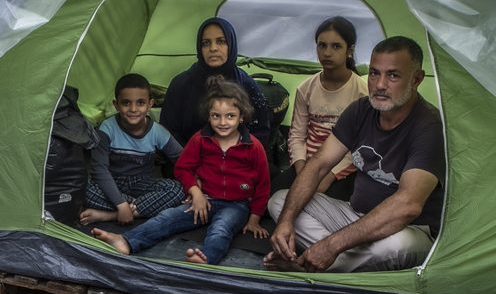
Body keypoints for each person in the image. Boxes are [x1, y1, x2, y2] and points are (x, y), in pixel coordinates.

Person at [264, 36, 445, 273]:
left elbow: (407, 205)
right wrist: (286, 221)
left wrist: (332, 245)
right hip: (353, 215)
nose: (379, 84)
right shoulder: (361, 111)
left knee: (400, 245)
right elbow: (318, 164)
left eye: (393, 75)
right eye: (373, 73)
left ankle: (307, 265)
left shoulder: (429, 127)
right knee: (280, 202)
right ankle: (334, 261)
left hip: (407, 229)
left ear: (417, 79)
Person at [92, 77, 270, 265]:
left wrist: (254, 219)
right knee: (168, 217)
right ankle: (126, 240)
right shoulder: (201, 139)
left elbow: (263, 185)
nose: (222, 122)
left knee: (221, 228)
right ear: (208, 115)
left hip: (236, 204)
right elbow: (183, 167)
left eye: (230, 116)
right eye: (216, 115)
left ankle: (207, 257)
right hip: (205, 199)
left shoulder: (253, 146)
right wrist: (195, 191)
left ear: (241, 116)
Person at [80, 73, 184, 225]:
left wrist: (196, 185)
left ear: (150, 104)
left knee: (176, 189)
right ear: (116, 105)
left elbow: (183, 160)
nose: (133, 109)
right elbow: (100, 170)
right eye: (126, 103)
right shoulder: (107, 129)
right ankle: (135, 208)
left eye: (140, 103)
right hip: (112, 181)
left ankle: (110, 215)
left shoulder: (158, 132)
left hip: (142, 182)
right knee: (83, 188)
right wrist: (120, 202)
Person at [286, 17, 368, 196]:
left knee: (326, 203)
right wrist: (303, 173)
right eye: (322, 45)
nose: (327, 53)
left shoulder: (363, 93)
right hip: (307, 163)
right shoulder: (306, 88)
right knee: (272, 200)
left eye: (336, 46)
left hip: (342, 169)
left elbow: (360, 145)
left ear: (350, 50)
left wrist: (328, 177)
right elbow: (297, 136)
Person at [160, 17, 272, 148]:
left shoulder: (246, 84)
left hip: (238, 162)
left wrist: (237, 160)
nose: (213, 48)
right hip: (189, 161)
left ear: (231, 44)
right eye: (206, 43)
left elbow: (262, 131)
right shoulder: (181, 84)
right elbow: (168, 132)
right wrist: (191, 161)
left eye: (221, 41)